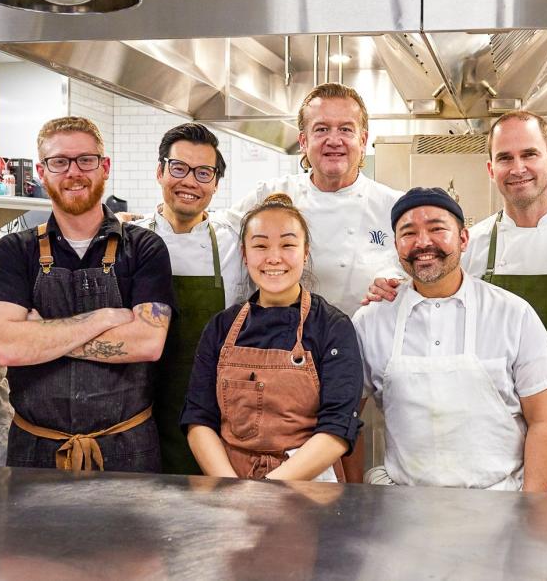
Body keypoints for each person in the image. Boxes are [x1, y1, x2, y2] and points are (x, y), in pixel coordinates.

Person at [363, 112, 547, 494]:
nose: (517, 168)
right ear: (491, 169)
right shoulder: (470, 246)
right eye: (505, 158)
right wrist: (382, 288)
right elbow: (422, 285)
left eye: (530, 155)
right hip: (485, 426)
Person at [0, 116, 175, 472]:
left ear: (104, 166)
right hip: (35, 454)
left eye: (86, 160)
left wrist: (42, 335)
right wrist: (103, 318)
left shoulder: (144, 248)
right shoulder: (13, 251)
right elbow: (8, 347)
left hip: (129, 449)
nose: (74, 172)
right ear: (41, 171)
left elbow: (148, 343)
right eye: (59, 162)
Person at [355, 187, 547, 491]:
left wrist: (530, 511)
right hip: (404, 511)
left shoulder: (512, 314)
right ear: (396, 245)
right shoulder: (371, 321)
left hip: (499, 509)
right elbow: (343, 419)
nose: (423, 242)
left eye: (437, 229)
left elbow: (545, 422)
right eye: (409, 233)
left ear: (464, 239)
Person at [181, 193, 362, 481]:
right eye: (260, 245)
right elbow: (198, 419)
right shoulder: (221, 327)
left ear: (305, 251)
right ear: (244, 253)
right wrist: (231, 488)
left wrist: (268, 488)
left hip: (309, 487)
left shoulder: (332, 326)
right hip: (231, 487)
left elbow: (337, 429)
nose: (273, 258)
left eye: (288, 245)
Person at [134, 123, 247, 474]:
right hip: (140, 414)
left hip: (214, 415)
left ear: (215, 183)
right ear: (159, 171)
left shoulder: (234, 246)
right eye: (178, 168)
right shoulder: (127, 241)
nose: (190, 182)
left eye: (203, 173)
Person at [232, 83, 402, 317]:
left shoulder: (395, 208)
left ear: (362, 141)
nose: (334, 140)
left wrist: (401, 287)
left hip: (365, 346)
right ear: (303, 141)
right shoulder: (270, 195)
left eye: (345, 129)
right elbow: (218, 234)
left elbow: (425, 275)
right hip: (284, 342)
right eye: (321, 129)